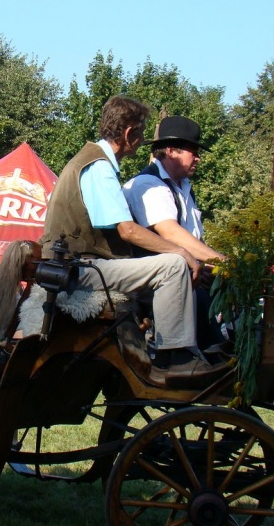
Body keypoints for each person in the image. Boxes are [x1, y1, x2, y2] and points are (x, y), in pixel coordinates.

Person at [41, 95, 227, 378]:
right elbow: (126, 230)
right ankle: (172, 357)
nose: (141, 141)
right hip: (76, 270)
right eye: (140, 131)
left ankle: (194, 348)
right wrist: (181, 253)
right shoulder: (99, 167)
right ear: (129, 132)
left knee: (175, 264)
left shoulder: (95, 162)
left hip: (76, 265)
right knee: (173, 265)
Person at [122, 114, 227, 350]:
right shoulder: (149, 184)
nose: (198, 158)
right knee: (198, 300)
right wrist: (222, 262)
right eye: (193, 151)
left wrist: (210, 267)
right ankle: (190, 361)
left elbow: (192, 239)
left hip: (183, 276)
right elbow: (170, 233)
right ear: (171, 151)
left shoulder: (183, 187)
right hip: (149, 282)